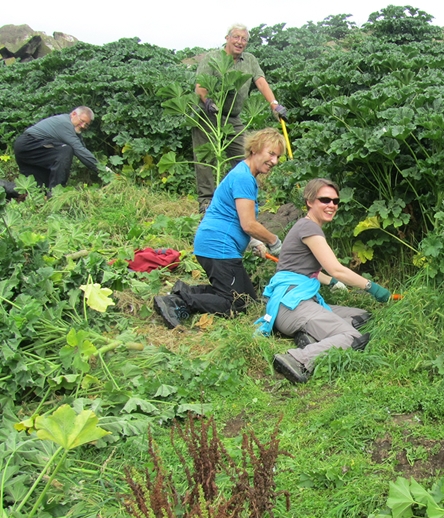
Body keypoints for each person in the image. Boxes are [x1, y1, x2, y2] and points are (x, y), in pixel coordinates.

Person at [256, 178, 391, 384]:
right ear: (310, 201)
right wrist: (373, 288)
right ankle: (297, 359)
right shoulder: (309, 228)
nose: (332, 205)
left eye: (335, 201)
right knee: (353, 338)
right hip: (292, 306)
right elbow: (336, 269)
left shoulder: (307, 227)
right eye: (325, 200)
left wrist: (331, 283)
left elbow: (304, 270)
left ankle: (309, 337)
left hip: (297, 302)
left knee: (363, 317)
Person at [153, 128, 285, 329]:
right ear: (255, 149)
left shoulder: (244, 174)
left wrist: (254, 240)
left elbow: (235, 216)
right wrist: (274, 242)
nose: (275, 161)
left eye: (278, 157)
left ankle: (184, 291)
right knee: (235, 304)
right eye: (271, 154)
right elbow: (248, 223)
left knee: (248, 299)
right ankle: (179, 302)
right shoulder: (243, 178)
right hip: (219, 247)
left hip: (219, 245)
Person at [193, 24, 287, 213]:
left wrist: (274, 104)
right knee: (205, 158)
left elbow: (260, 81)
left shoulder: (249, 60)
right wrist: (208, 101)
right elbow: (200, 85)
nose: (240, 42)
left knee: (245, 153)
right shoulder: (212, 58)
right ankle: (206, 201)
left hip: (232, 117)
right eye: (236, 37)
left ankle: (244, 195)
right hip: (208, 114)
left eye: (244, 39)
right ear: (227, 38)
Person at [13, 107, 103, 192]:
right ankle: (56, 192)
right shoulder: (65, 124)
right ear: (74, 114)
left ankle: (6, 188)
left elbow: (82, 149)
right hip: (29, 145)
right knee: (65, 150)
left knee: (35, 189)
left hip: (33, 148)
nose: (83, 126)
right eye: (82, 121)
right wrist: (103, 171)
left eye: (86, 124)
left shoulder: (72, 128)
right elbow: (79, 150)